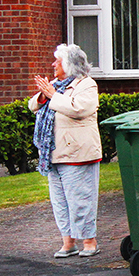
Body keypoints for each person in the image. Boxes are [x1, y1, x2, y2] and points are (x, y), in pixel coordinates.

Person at [29, 44, 103, 258]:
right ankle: (68, 243)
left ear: (69, 65)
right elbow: (33, 105)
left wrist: (52, 95)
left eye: (58, 61)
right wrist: (44, 95)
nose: (53, 65)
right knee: (60, 202)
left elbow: (78, 109)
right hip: (53, 154)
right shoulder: (55, 85)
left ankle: (89, 241)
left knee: (81, 200)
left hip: (78, 153)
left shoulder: (86, 85)